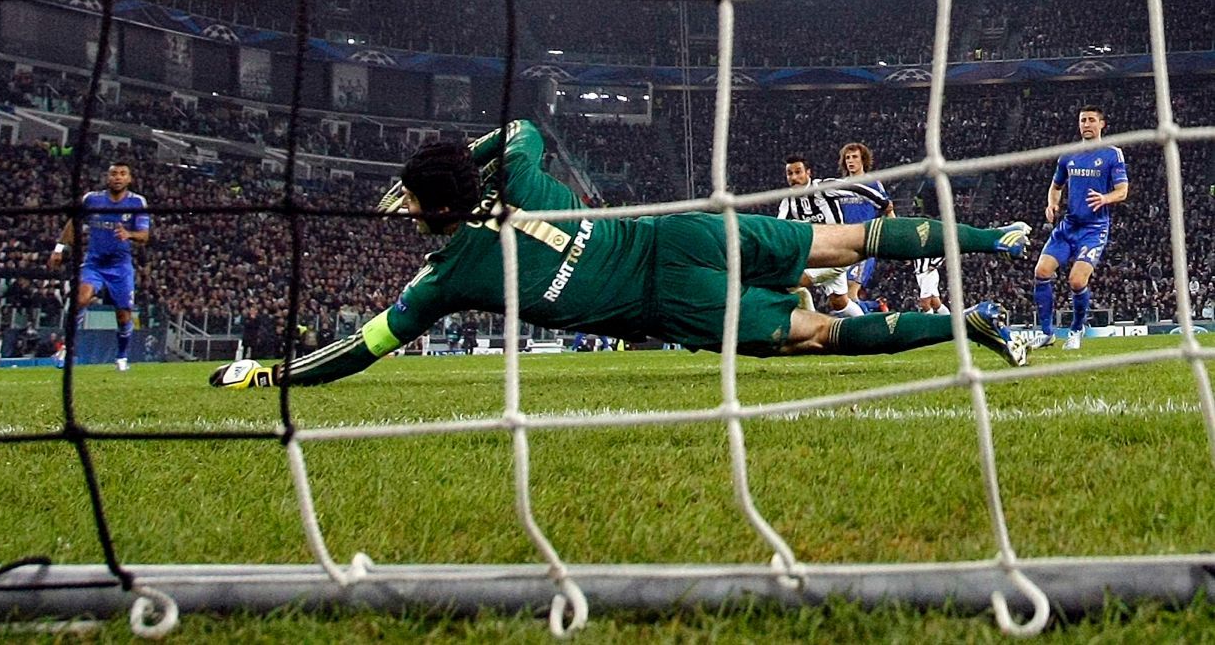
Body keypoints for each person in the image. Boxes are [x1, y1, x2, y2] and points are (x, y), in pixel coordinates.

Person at [212, 120, 1032, 389]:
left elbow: (366, 345)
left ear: (438, 207)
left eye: (417, 200)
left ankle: (967, 323)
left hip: (667, 303)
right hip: (677, 229)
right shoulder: (519, 169)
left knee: (817, 334)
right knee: (842, 240)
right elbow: (523, 128)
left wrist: (274, 377)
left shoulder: (445, 276)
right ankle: (992, 238)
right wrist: (471, 158)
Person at [1029, 106, 1129, 351]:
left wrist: (1105, 198)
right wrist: (1052, 204)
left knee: (1076, 280)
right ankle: (1046, 333)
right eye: (1083, 120)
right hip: (1068, 226)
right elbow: (1056, 186)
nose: (1086, 124)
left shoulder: (1112, 154)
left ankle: (1076, 330)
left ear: (1102, 124)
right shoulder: (1068, 155)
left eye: (1091, 120)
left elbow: (1122, 191)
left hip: (1094, 228)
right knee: (1041, 272)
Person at [48, 161, 150, 371]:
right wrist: (59, 248)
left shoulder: (137, 202)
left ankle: (121, 357)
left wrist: (129, 234)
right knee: (80, 299)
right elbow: (73, 223)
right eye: (114, 173)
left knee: (123, 316)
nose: (118, 177)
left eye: (122, 174)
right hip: (94, 264)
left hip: (120, 267)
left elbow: (144, 236)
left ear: (129, 179)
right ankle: (67, 348)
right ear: (107, 177)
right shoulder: (92, 199)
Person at [777, 154, 889, 316]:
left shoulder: (823, 188)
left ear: (808, 172)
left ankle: (811, 325)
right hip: (816, 256)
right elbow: (779, 228)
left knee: (792, 281)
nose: (794, 178)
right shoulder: (788, 201)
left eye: (798, 172)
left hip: (838, 253)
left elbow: (854, 188)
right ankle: (867, 326)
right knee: (840, 302)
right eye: (790, 173)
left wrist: (883, 203)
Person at [835, 142, 895, 313]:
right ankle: (876, 308)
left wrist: (897, 237)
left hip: (864, 244)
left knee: (851, 292)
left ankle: (869, 325)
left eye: (854, 157)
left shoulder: (872, 184)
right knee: (840, 298)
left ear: (863, 160)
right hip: (842, 245)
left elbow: (888, 209)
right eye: (847, 158)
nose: (850, 161)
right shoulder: (839, 186)